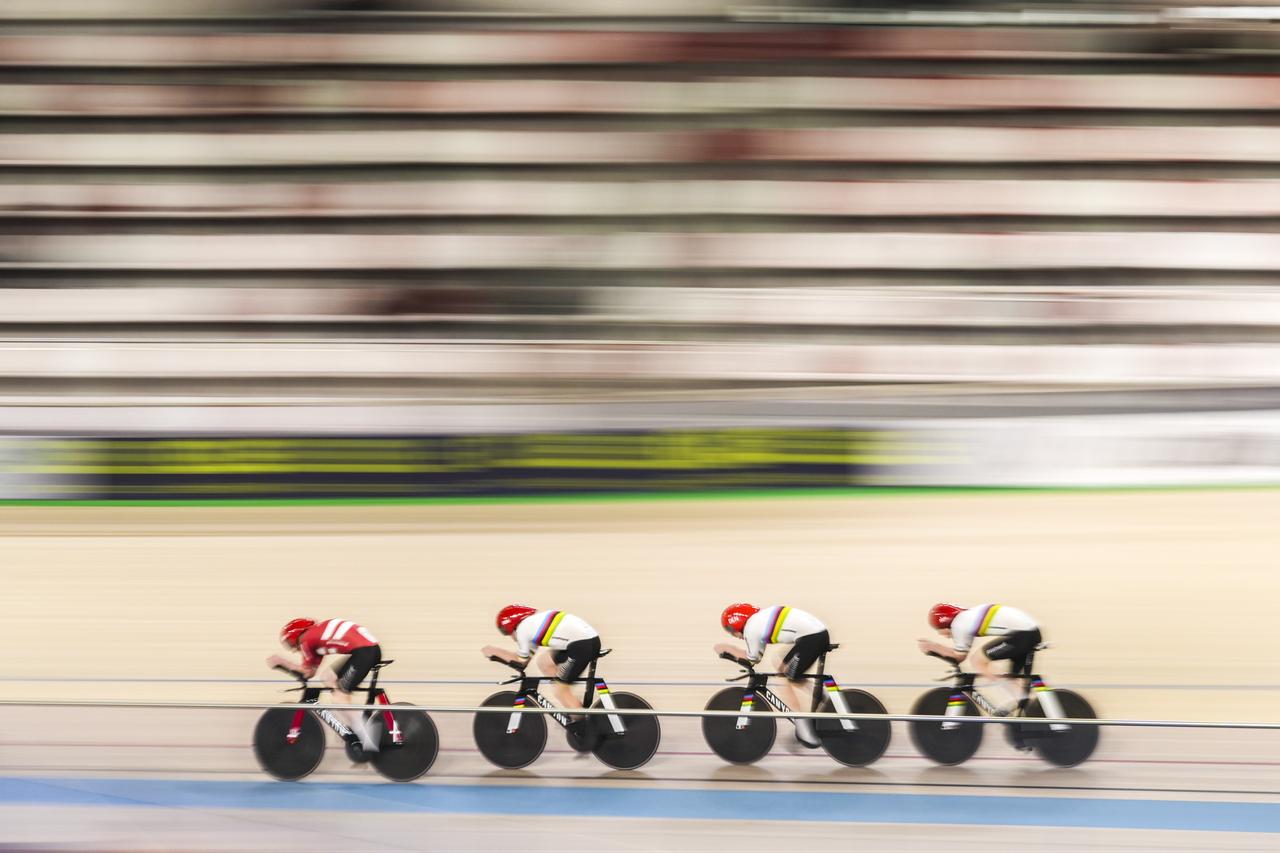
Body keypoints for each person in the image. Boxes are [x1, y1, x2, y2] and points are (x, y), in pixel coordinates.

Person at [481, 605, 602, 746]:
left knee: (560, 691)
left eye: (507, 633)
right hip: (584, 641)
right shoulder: (532, 626)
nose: (511, 638)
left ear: (511, 626)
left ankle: (584, 730)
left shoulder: (523, 629)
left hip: (582, 645)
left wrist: (494, 651)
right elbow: (523, 663)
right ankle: (573, 706)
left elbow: (519, 660)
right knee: (544, 661)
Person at [713, 603, 830, 748]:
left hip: (812, 637)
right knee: (782, 666)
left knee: (786, 676)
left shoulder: (751, 628)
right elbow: (756, 656)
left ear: (736, 625)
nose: (734, 636)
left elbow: (752, 659)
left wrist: (728, 648)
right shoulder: (759, 620)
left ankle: (803, 727)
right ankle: (821, 695)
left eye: (731, 632)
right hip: (816, 635)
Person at [267, 617, 383, 756]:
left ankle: (368, 740)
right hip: (367, 650)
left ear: (294, 636)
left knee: (340, 699)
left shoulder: (306, 640)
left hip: (364, 652)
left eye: (289, 644)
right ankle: (354, 720)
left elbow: (306, 672)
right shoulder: (315, 635)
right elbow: (311, 672)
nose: (292, 650)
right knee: (327, 677)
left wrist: (282, 662)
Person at [917, 602, 1043, 712]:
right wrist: (935, 648)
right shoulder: (965, 619)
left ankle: (1021, 696)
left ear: (944, 621)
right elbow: (959, 654)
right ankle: (1025, 709)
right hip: (1028, 632)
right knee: (1013, 678)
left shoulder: (959, 625)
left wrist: (934, 647)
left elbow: (959, 657)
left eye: (938, 630)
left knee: (978, 661)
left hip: (1024, 634)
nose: (940, 634)